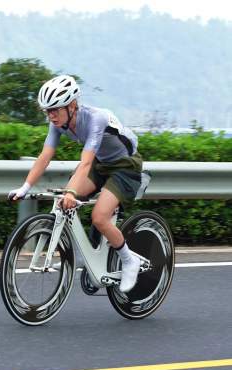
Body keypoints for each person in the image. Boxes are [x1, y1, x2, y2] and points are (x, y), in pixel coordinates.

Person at [8, 75, 143, 293]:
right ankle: (85, 256)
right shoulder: (58, 123)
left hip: (125, 166)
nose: (51, 115)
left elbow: (86, 161)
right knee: (64, 202)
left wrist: (72, 191)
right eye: (47, 111)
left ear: (72, 105)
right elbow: (45, 156)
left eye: (55, 110)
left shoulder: (96, 119)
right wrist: (25, 187)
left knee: (98, 216)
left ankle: (129, 261)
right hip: (101, 163)